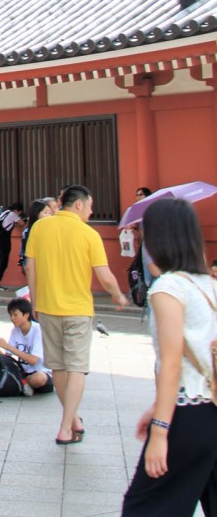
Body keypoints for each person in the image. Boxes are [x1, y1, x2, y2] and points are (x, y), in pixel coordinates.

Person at [121, 197, 217, 516]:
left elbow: (172, 363)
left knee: (144, 508)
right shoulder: (209, 285)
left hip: (187, 418)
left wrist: (160, 431)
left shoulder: (168, 288)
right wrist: (156, 409)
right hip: (210, 409)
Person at [25, 183, 128, 445]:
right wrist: (118, 295)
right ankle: (65, 428)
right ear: (79, 204)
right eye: (90, 206)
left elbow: (30, 267)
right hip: (78, 311)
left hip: (47, 308)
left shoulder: (40, 227)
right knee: (77, 368)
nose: (91, 212)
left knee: (58, 367)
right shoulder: (89, 234)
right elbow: (104, 276)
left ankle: (73, 420)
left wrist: (35, 301)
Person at [0, 297, 53, 394]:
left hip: (40, 372)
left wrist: (7, 346)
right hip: (23, 372)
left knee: (39, 378)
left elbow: (33, 360)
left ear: (26, 315)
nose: (12, 318)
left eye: (15, 315)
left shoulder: (38, 330)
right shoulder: (15, 330)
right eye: (10, 315)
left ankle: (24, 384)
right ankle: (24, 384)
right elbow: (8, 359)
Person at [18, 198, 53, 271]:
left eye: (50, 212)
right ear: (36, 214)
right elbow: (25, 255)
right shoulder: (27, 232)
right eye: (45, 212)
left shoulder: (53, 230)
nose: (49, 215)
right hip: (35, 268)